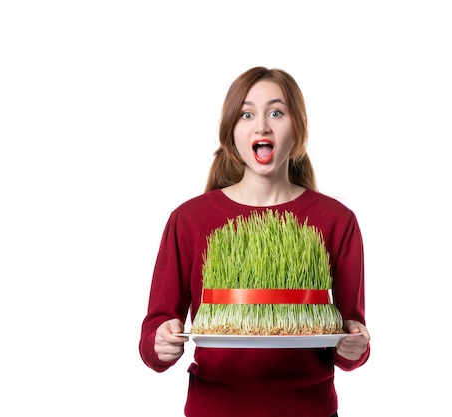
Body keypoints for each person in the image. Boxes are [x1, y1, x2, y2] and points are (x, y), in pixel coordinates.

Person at [139, 66, 370, 417]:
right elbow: (153, 337)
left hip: (309, 410)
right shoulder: (189, 220)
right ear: (232, 132)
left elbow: (351, 335)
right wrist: (161, 342)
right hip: (214, 410)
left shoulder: (337, 221)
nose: (262, 125)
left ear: (298, 130)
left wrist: (354, 347)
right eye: (247, 114)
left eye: (276, 112)